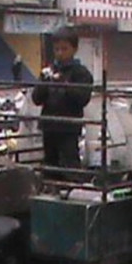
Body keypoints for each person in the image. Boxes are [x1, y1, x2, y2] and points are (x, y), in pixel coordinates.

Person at [32, 27, 94, 170]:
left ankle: (73, 189)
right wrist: (44, 83)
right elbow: (36, 99)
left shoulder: (81, 73)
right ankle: (52, 188)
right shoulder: (48, 72)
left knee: (70, 163)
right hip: (49, 125)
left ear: (74, 49)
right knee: (50, 163)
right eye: (57, 49)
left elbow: (83, 98)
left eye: (64, 49)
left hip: (68, 127)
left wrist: (65, 85)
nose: (60, 53)